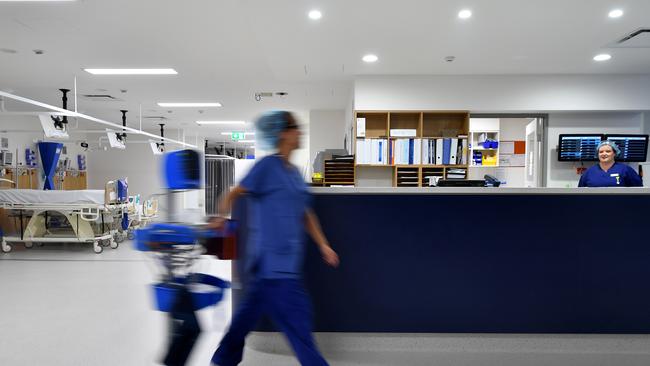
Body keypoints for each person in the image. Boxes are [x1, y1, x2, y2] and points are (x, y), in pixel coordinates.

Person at [210, 111, 339, 366]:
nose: (300, 133)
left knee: (243, 322)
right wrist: (220, 216)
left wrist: (323, 243)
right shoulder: (267, 167)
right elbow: (234, 192)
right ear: (283, 133)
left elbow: (305, 213)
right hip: (275, 269)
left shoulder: (294, 174)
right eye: (296, 128)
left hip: (277, 270)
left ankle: (221, 360)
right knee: (300, 329)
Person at [578, 140, 643, 187]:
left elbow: (638, 190)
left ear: (615, 153)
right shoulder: (589, 172)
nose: (604, 154)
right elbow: (580, 193)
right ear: (597, 154)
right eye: (601, 152)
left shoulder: (625, 170)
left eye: (608, 151)